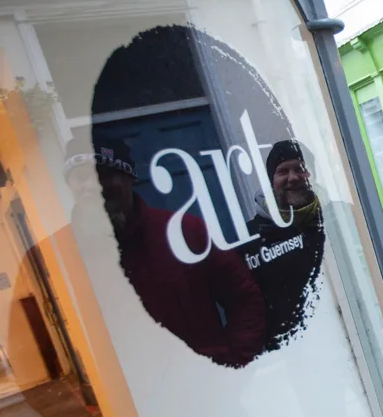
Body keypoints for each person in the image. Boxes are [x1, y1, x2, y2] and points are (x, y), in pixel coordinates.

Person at [67, 137, 266, 368]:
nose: (94, 185)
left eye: (104, 174)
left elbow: (244, 298)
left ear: (129, 177)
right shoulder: (60, 256)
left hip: (205, 382)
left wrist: (233, 362)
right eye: (82, 177)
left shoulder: (186, 232)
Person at [241, 140, 326, 351]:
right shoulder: (249, 237)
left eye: (300, 168)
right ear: (272, 181)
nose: (293, 177)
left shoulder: (336, 218)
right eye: (283, 171)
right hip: (288, 349)